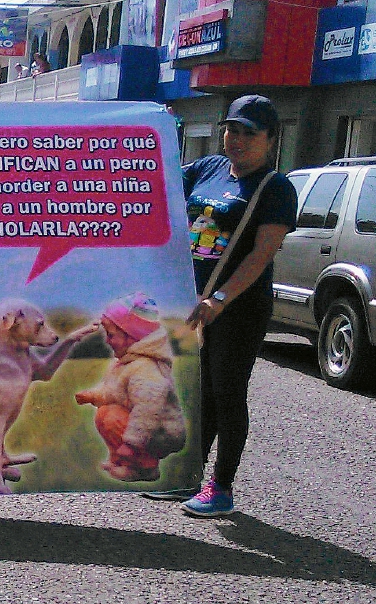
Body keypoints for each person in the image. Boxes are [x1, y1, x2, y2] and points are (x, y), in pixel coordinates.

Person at [155, 95, 297, 517]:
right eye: (232, 129)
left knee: (227, 391)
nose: (236, 139)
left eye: (249, 132)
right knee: (197, 391)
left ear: (271, 139)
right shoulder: (209, 169)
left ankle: (222, 487)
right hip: (193, 303)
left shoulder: (275, 188)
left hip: (236, 306)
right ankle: (189, 475)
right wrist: (153, 128)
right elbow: (155, 179)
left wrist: (218, 299)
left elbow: (261, 254)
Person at [75, 293, 186, 483]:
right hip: (146, 427)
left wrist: (131, 443)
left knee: (111, 417)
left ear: (133, 335)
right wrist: (92, 396)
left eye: (111, 335)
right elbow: (114, 392)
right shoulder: (129, 363)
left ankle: (145, 468)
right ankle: (123, 462)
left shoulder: (145, 368)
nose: (107, 341)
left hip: (161, 431)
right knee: (104, 413)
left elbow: (147, 410)